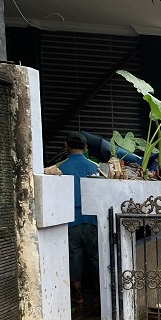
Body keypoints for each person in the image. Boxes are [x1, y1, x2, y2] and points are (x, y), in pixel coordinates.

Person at [56, 131, 101, 307]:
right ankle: (98, 295)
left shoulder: (58, 168)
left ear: (65, 145)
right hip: (92, 220)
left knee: (74, 257)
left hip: (70, 220)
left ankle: (78, 295)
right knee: (95, 257)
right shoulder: (95, 167)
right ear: (86, 147)